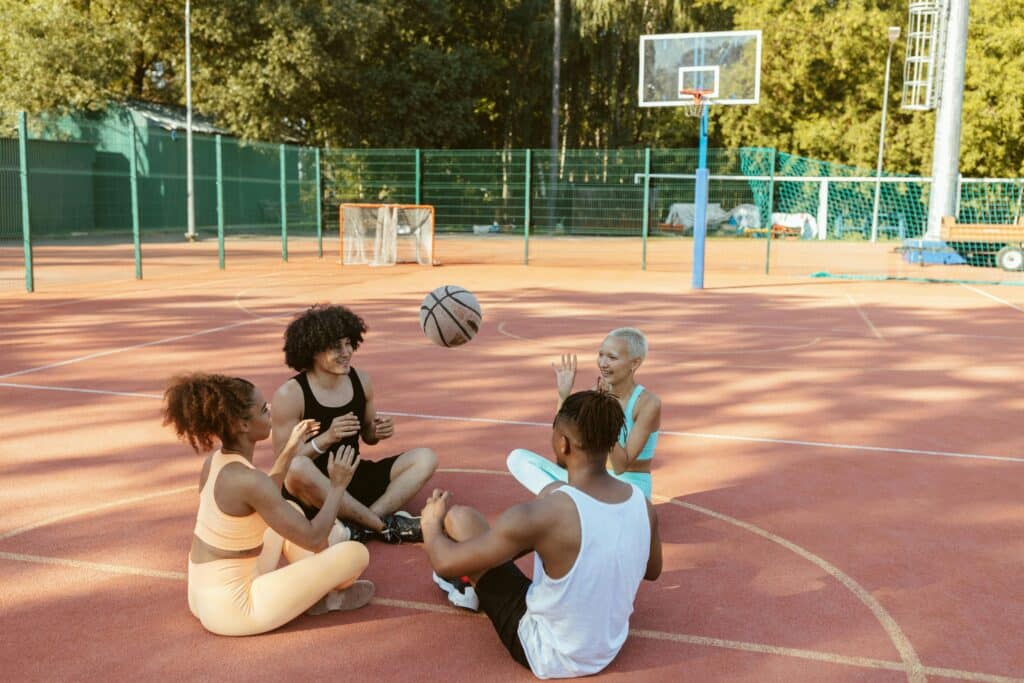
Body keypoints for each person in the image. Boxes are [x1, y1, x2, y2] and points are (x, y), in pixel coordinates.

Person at [422, 390, 662, 679]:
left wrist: (430, 525)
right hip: (608, 645)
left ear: (562, 443)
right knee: (467, 520)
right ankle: (472, 582)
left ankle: (467, 587)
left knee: (455, 519)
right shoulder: (641, 504)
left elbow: (443, 561)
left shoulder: (544, 516)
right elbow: (652, 571)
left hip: (547, 651)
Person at [162, 372, 374, 637]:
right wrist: (337, 486)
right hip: (236, 609)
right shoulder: (249, 481)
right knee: (355, 554)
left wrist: (290, 449)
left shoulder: (216, 462)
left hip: (201, 594)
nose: (270, 413)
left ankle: (316, 592)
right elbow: (315, 538)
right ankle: (328, 596)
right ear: (242, 425)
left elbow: (265, 496)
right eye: (263, 410)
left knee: (292, 511)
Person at [272, 304, 438, 543]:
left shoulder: (361, 380)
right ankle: (383, 526)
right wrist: (326, 438)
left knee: (426, 458)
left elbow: (368, 437)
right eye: (335, 347)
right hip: (314, 487)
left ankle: (361, 526)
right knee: (298, 467)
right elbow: (283, 465)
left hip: (352, 474)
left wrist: (376, 430)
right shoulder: (290, 394)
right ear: (312, 352)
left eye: (348, 343)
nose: (346, 352)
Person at [507, 327, 661, 499]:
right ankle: (570, 501)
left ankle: (569, 503)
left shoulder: (647, 403)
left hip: (629, 490)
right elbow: (565, 442)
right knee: (518, 458)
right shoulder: (596, 394)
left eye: (612, 357)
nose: (603, 363)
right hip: (592, 481)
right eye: (601, 355)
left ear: (634, 363)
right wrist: (563, 396)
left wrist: (603, 411)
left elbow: (620, 465)